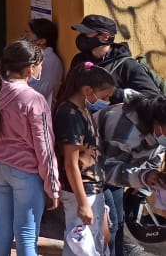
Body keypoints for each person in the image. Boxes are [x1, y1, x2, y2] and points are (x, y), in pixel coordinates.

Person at [0, 40, 59, 256]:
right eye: (40, 64)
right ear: (29, 68)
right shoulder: (34, 100)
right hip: (24, 172)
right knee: (26, 232)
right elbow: (45, 147)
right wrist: (52, 185)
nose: (42, 69)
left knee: (2, 226)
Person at [55, 63, 117, 256]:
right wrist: (83, 203)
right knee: (79, 246)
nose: (106, 101)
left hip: (92, 190)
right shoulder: (70, 115)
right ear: (87, 90)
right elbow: (70, 163)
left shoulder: (83, 111)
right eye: (105, 96)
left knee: (91, 244)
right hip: (81, 191)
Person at [96, 91, 166, 256]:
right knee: (109, 224)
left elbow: (154, 160)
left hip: (119, 173)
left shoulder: (159, 131)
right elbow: (106, 169)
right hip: (94, 172)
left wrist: (150, 179)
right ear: (158, 123)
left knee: (119, 223)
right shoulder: (126, 130)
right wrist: (143, 176)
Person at [69, 15, 160, 103]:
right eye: (81, 33)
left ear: (105, 37)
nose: (82, 37)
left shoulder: (127, 65)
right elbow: (67, 90)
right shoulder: (79, 61)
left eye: (87, 33)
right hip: (82, 117)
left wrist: (113, 93)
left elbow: (153, 97)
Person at [25, 18, 64, 107]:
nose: (26, 36)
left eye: (30, 33)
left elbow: (41, 91)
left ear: (42, 41)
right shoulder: (36, 56)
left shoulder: (49, 61)